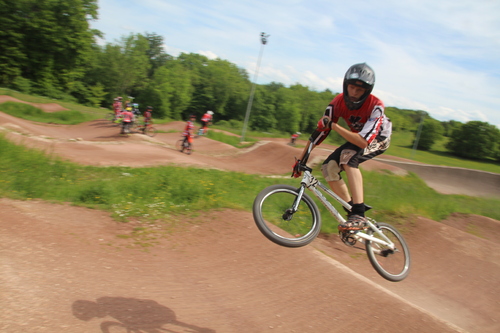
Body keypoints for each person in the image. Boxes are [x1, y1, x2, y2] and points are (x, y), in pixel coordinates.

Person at [293, 63, 392, 232]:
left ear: (367, 91)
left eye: (359, 90)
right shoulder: (337, 103)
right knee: (328, 167)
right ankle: (351, 210)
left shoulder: (376, 106)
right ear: (345, 85)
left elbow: (363, 142)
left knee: (348, 159)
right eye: (351, 87)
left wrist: (334, 126)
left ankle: (359, 214)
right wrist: (301, 161)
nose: (353, 93)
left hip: (379, 138)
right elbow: (319, 133)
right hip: (357, 137)